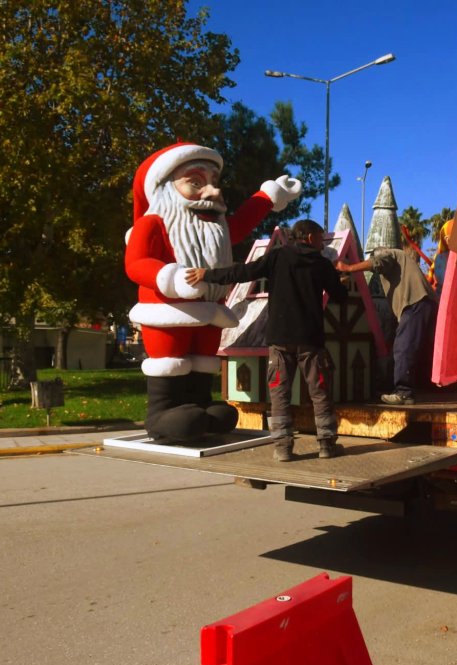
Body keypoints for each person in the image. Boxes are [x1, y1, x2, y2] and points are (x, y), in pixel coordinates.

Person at [124, 142, 301, 444]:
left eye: (214, 182)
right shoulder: (152, 224)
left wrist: (269, 197)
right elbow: (136, 263)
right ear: (164, 188)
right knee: (171, 360)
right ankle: (162, 414)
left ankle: (201, 406)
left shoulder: (216, 225)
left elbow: (241, 224)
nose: (213, 192)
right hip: (167, 314)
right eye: (195, 182)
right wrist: (170, 277)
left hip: (209, 312)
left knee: (203, 360)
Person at [187, 220, 348, 461]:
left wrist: (207, 275)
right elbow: (340, 297)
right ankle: (326, 445)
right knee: (319, 392)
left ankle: (282, 448)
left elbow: (242, 272)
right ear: (310, 237)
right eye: (320, 237)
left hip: (280, 339)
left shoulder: (277, 257)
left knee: (279, 394)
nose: (322, 242)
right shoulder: (322, 264)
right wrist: (341, 282)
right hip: (310, 340)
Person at [335, 238, 437, 405]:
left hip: (414, 303)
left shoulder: (389, 254)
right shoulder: (399, 262)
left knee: (403, 347)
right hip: (424, 303)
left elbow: (378, 261)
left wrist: (349, 268)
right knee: (418, 348)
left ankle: (404, 392)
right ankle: (416, 389)